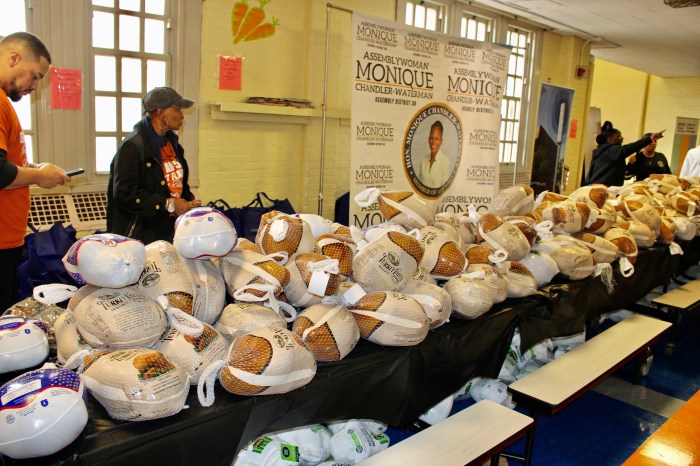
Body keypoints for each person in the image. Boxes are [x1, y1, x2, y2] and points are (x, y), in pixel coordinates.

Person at [0, 32, 71, 311]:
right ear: (13, 58)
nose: (35, 86)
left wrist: (34, 168)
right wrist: (39, 177)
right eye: (35, 76)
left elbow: (9, 163)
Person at [107, 86, 201, 245]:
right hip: (142, 235)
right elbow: (125, 194)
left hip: (168, 231)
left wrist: (188, 203)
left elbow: (178, 185)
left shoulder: (173, 145)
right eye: (177, 109)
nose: (182, 115)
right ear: (159, 112)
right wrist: (169, 204)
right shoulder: (133, 146)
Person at [586, 121, 664, 186]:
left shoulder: (602, 150)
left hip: (596, 185)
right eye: (619, 136)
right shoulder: (612, 149)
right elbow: (630, 148)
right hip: (602, 188)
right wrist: (649, 139)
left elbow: (622, 173)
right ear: (610, 138)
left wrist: (630, 165)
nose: (622, 139)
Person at [419, 120, 450, 188]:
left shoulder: (445, 161)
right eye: (431, 138)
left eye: (437, 139)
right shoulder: (423, 161)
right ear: (428, 139)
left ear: (441, 141)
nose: (433, 142)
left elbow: (443, 190)